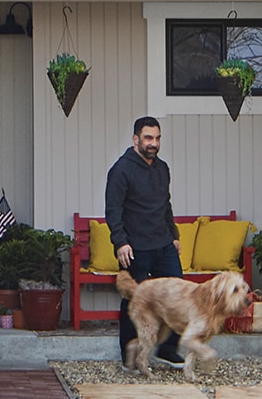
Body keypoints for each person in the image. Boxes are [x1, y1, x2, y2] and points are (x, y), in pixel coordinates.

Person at [105, 116, 184, 369]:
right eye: (148, 138)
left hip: (162, 244)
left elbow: (165, 205)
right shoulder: (121, 170)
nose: (154, 143)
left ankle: (168, 349)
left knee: (178, 295)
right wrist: (120, 243)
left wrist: (174, 235)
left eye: (157, 138)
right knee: (133, 298)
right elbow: (113, 210)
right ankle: (129, 355)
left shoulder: (162, 168)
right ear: (135, 139)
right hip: (134, 247)